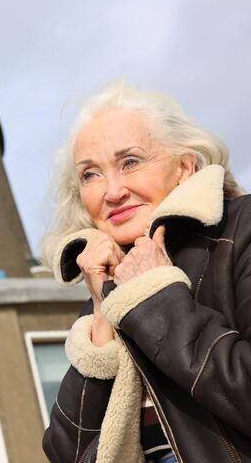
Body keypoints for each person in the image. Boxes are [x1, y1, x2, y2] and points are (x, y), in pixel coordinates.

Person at [40, 81, 251, 463]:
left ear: (184, 168)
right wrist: (103, 314)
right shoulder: (103, 288)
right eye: (91, 175)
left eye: (130, 162)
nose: (113, 191)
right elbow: (65, 454)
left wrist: (156, 296)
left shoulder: (243, 229)